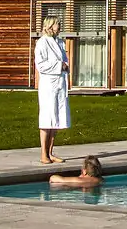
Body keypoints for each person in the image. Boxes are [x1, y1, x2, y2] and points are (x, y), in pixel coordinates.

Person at [35, 17, 70, 164]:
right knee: (47, 118)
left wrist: (65, 66)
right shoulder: (42, 42)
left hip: (60, 84)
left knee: (57, 119)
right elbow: (40, 65)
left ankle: (50, 152)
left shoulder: (60, 42)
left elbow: (65, 60)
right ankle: (43, 154)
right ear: (50, 25)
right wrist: (59, 66)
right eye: (57, 24)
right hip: (48, 85)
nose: (59, 26)